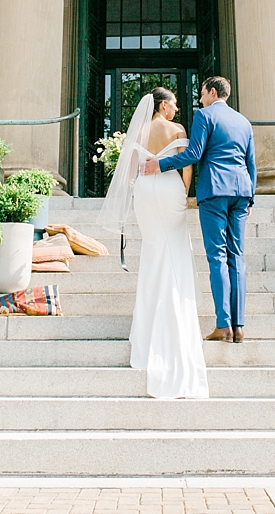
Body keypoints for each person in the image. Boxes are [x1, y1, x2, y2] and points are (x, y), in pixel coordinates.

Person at [99, 88, 209, 400]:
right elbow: (187, 165)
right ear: (163, 104)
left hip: (145, 191)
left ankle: (147, 327)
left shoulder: (140, 129)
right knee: (173, 250)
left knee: (152, 250)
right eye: (174, 103)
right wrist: (183, 192)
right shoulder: (177, 129)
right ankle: (174, 315)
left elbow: (133, 168)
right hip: (170, 188)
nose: (177, 108)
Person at [145, 75, 256, 344]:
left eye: (203, 93)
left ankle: (223, 325)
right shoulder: (244, 121)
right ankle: (238, 326)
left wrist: (160, 165)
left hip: (214, 190)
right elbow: (251, 163)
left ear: (213, 92)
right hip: (241, 191)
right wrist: (250, 197)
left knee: (217, 257)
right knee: (237, 257)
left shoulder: (204, 116)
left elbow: (194, 154)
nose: (200, 98)